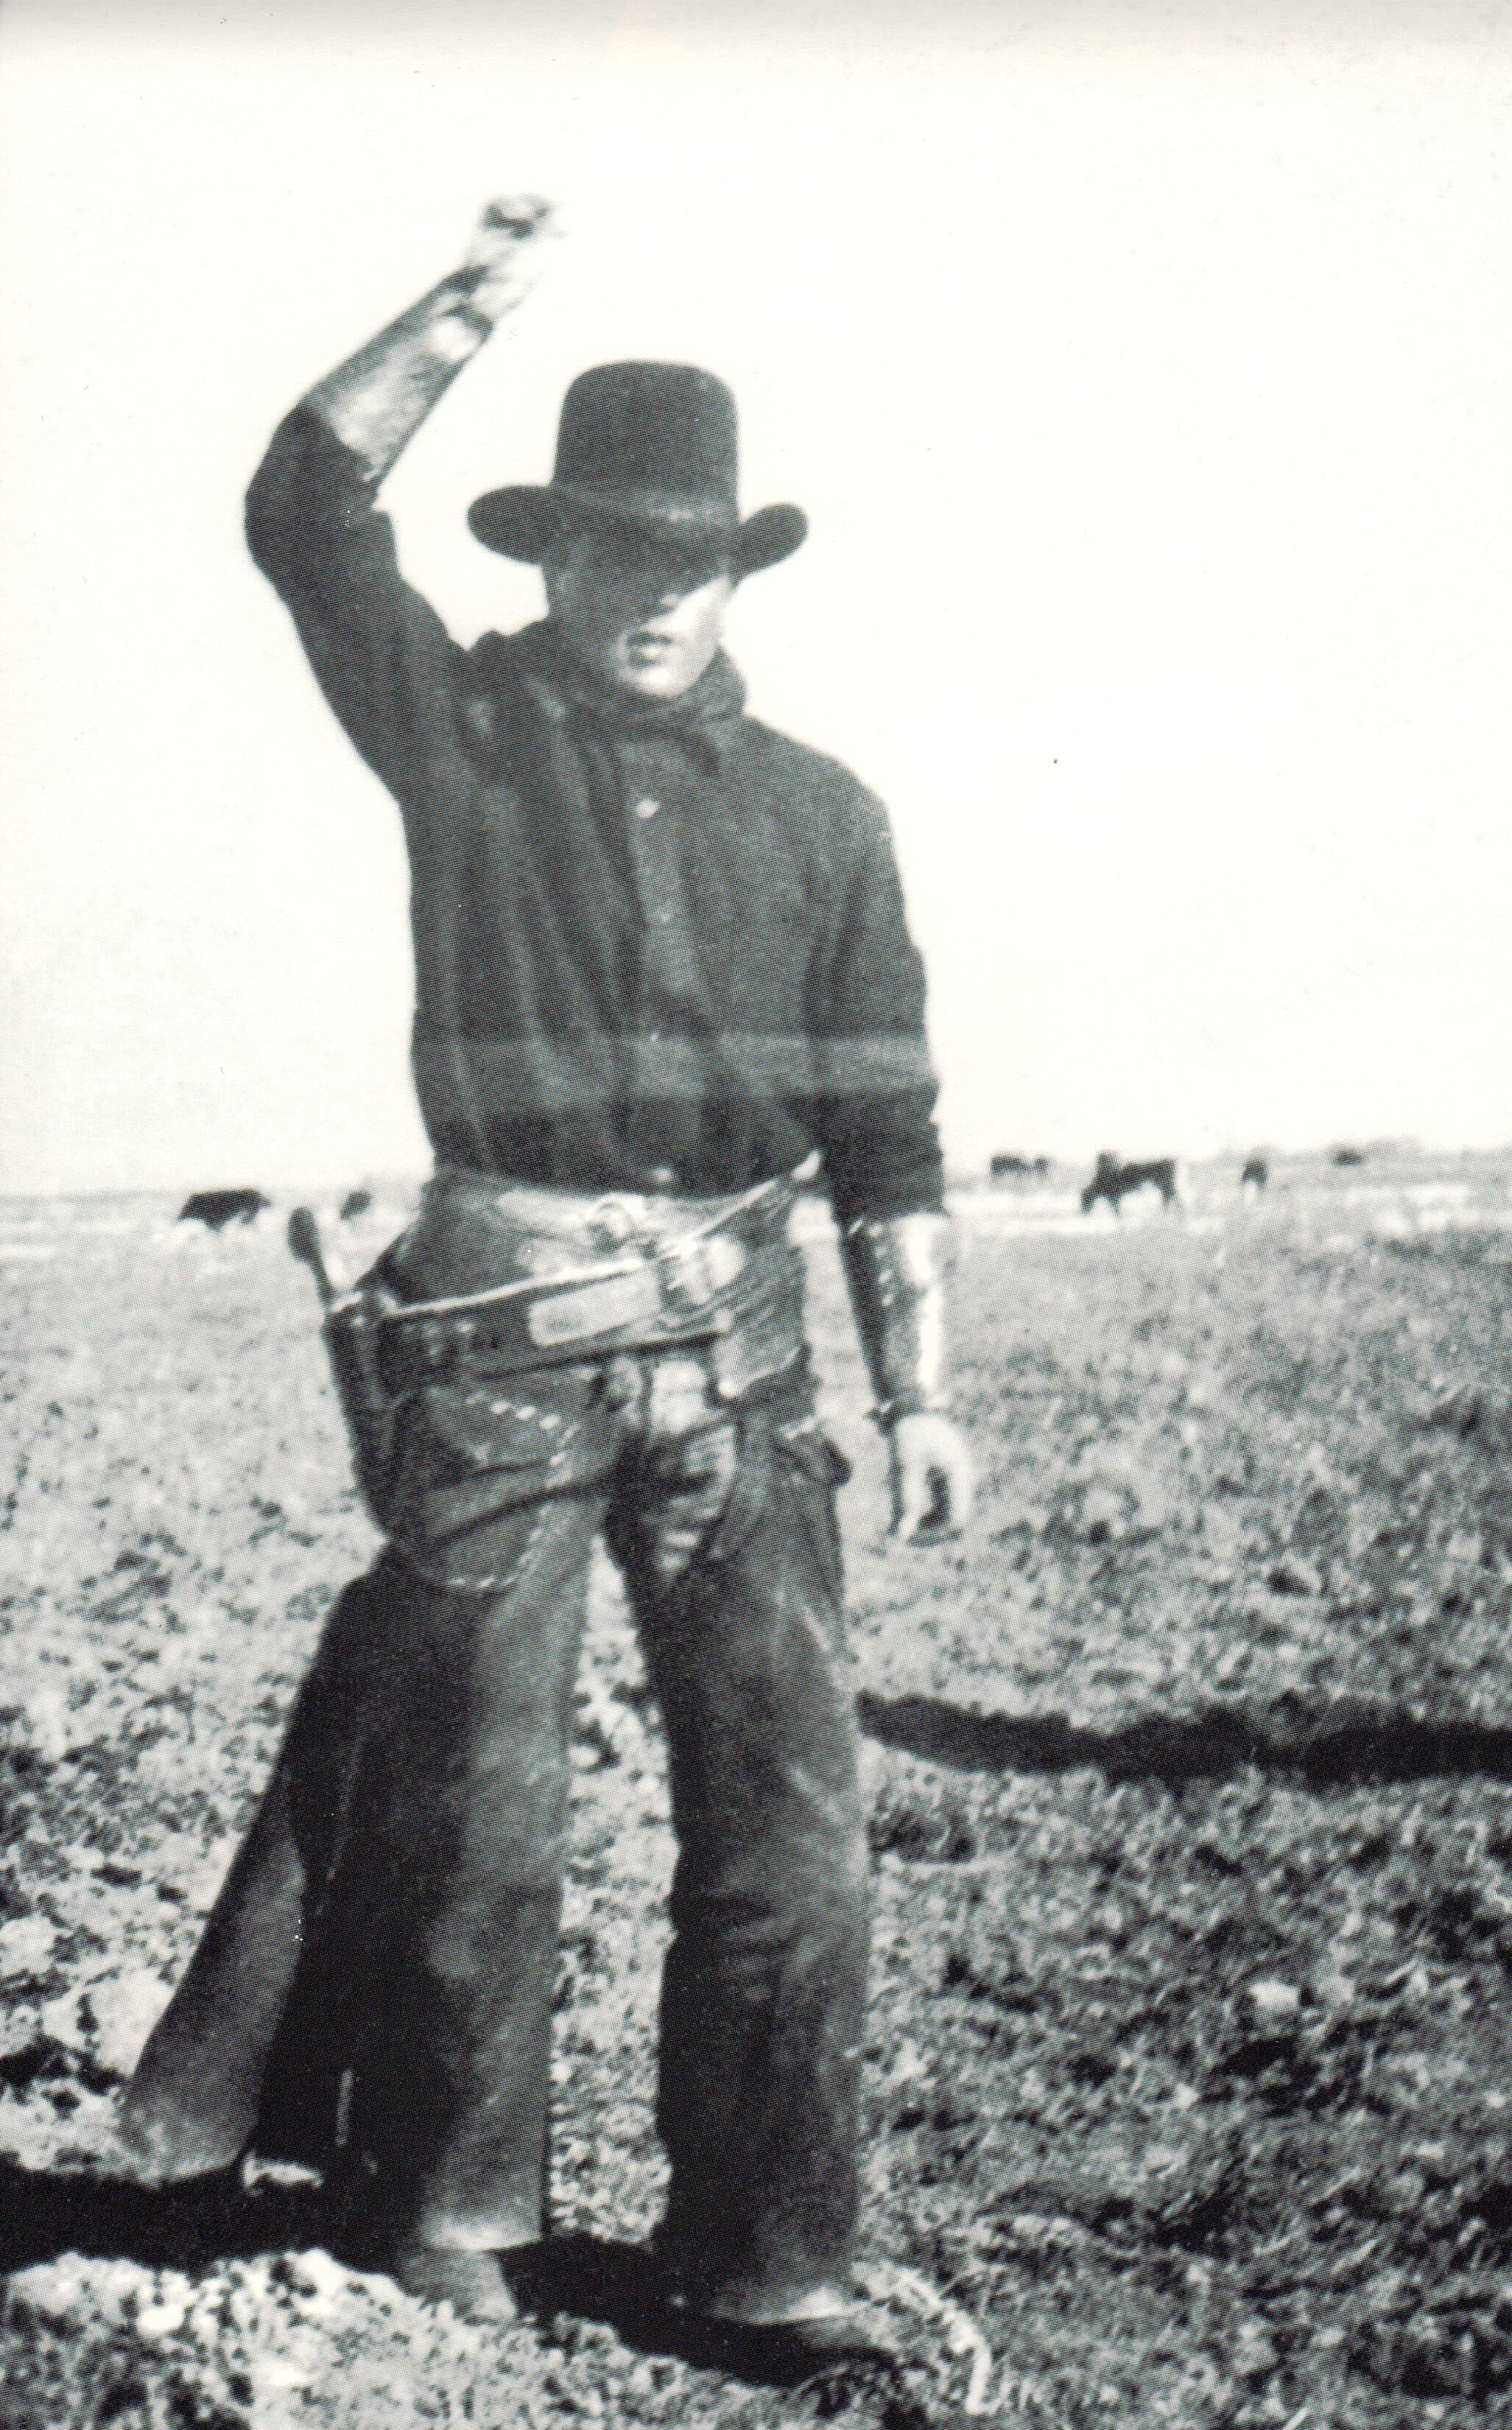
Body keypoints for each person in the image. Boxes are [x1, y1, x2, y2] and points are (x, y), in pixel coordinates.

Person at [114, 196, 974, 2360]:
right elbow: (302, 509)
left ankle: (769, 2257)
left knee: (791, 1829)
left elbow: (887, 1129)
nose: (649, 591)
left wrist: (923, 1392)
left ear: (733, 574)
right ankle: (448, 2224)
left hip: (747, 1367)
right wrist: (464, 307)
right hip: (498, 1352)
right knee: (471, 1813)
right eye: (610, 552)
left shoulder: (829, 817)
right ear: (554, 560)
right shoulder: (464, 735)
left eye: (688, 558)